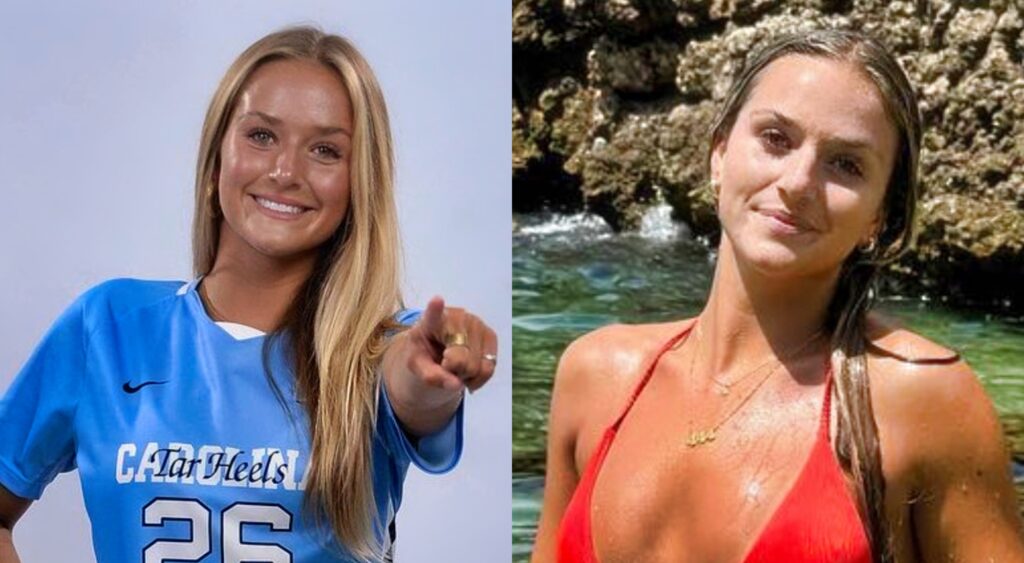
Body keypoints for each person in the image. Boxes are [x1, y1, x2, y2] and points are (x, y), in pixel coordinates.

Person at [0, 26, 497, 562]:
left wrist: (436, 376)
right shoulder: (108, 326)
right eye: (261, 136)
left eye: (326, 151)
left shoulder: (383, 348)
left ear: (360, 183)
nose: (285, 171)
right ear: (217, 158)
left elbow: (413, 388)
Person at [531, 29, 1024, 562]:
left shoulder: (922, 399)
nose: (798, 180)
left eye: (846, 164)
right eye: (775, 138)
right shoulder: (596, 376)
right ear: (719, 155)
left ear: (878, 218)